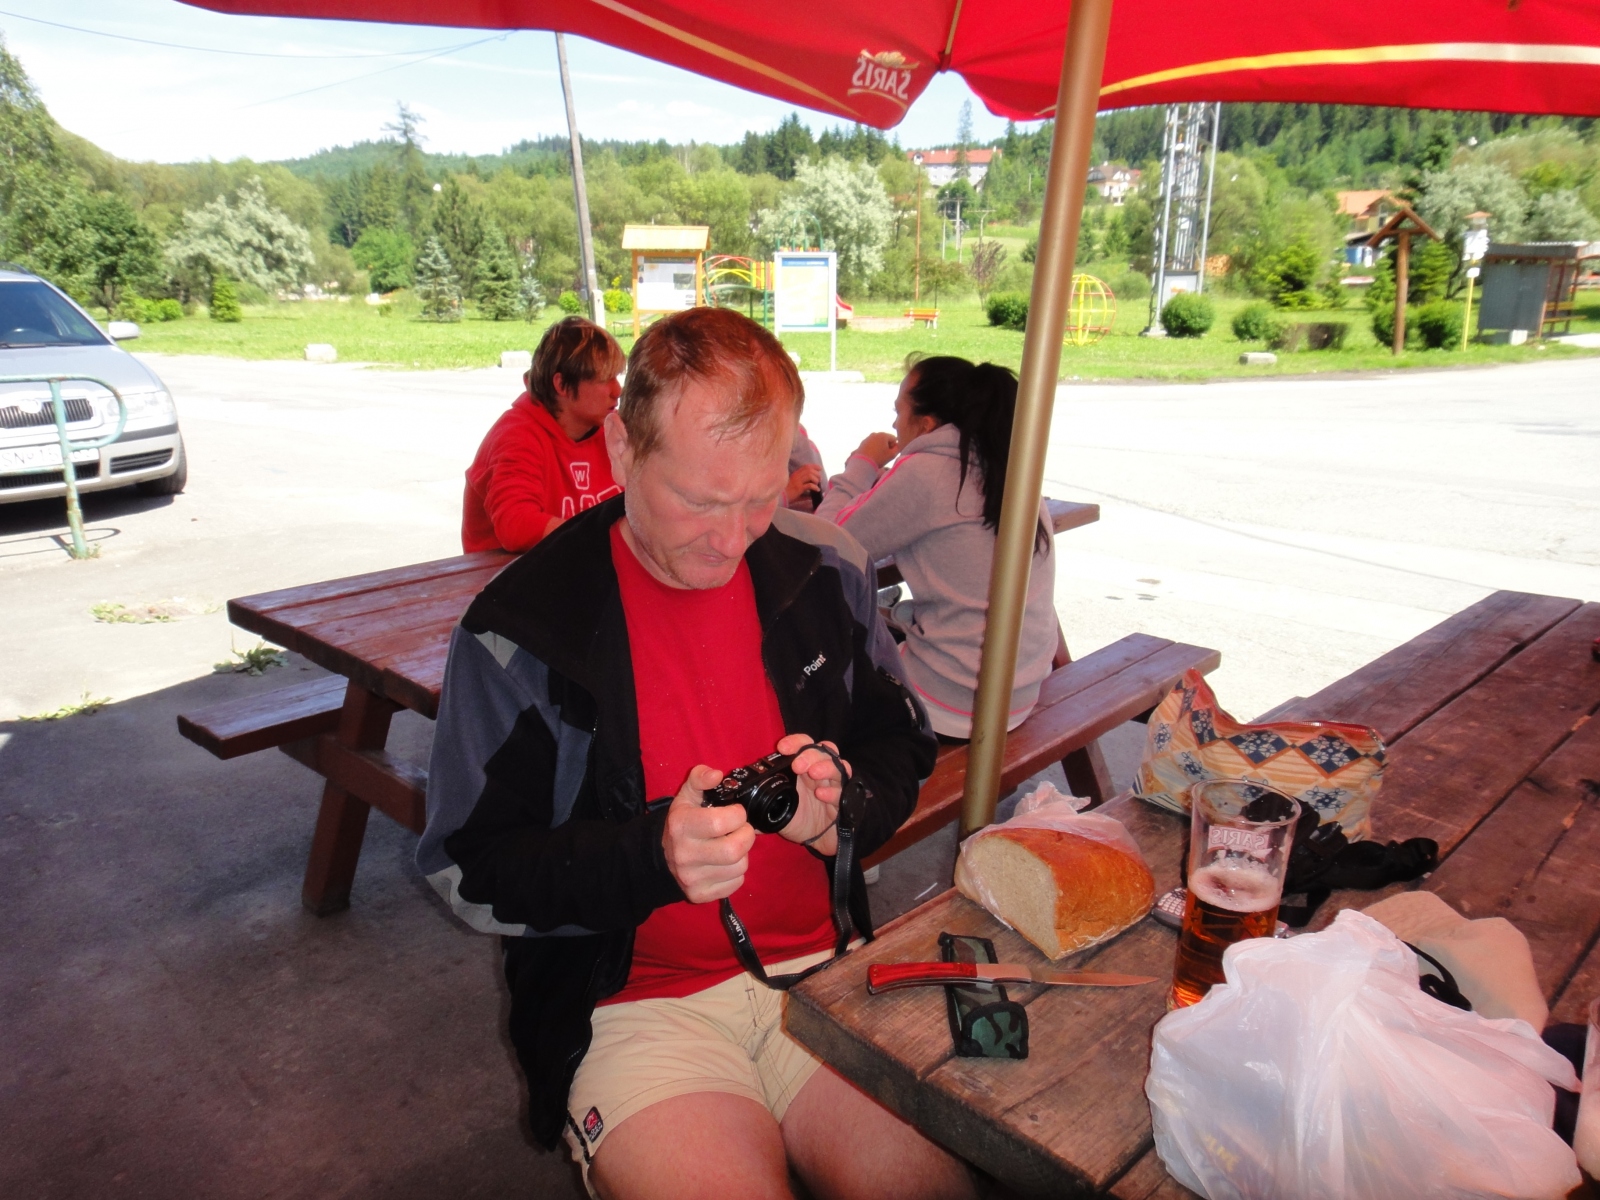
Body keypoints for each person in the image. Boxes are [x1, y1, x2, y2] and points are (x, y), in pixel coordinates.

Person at [419, 307, 975, 1200]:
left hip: (826, 971)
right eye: (701, 501)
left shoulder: (826, 567)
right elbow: (467, 868)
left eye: (760, 498)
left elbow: (900, 741)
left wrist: (844, 808)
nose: (733, 538)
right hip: (633, 1009)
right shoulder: (521, 627)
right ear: (623, 452)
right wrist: (651, 857)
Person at [817, 355, 1058, 742]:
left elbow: (826, 542)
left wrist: (862, 463)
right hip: (1019, 689)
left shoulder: (927, 472)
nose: (895, 424)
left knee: (816, 657)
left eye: (898, 411)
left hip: (954, 702)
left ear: (927, 424)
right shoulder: (1005, 464)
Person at [460, 316, 626, 553]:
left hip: (578, 564)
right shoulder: (517, 436)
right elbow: (516, 525)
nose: (617, 390)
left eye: (616, 377)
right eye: (604, 379)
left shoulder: (613, 429)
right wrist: (601, 537)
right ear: (562, 384)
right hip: (511, 571)